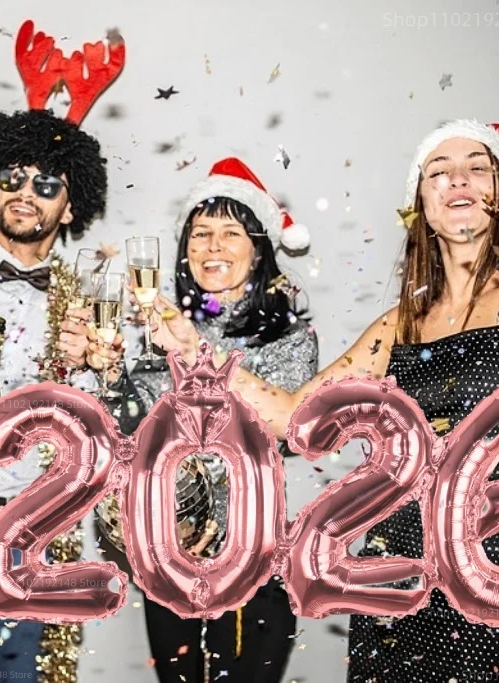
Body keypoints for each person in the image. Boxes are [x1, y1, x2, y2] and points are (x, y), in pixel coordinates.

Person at [143, 4, 499, 680]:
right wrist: (191, 346)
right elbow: (293, 417)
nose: (456, 179)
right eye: (438, 169)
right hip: (393, 586)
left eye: (476, 167)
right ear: (420, 202)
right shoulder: (399, 325)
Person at [76, 157, 318, 682]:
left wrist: (194, 348)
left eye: (230, 233)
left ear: (259, 250)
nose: (213, 246)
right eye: (200, 233)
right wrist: (109, 371)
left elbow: (277, 432)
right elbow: (132, 428)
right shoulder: (162, 330)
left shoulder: (290, 338)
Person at [0, 108, 107, 680]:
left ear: (70, 207)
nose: (26, 192)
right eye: (13, 177)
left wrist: (88, 370)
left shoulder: (87, 307)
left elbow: (102, 434)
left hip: (31, 533)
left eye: (47, 184)